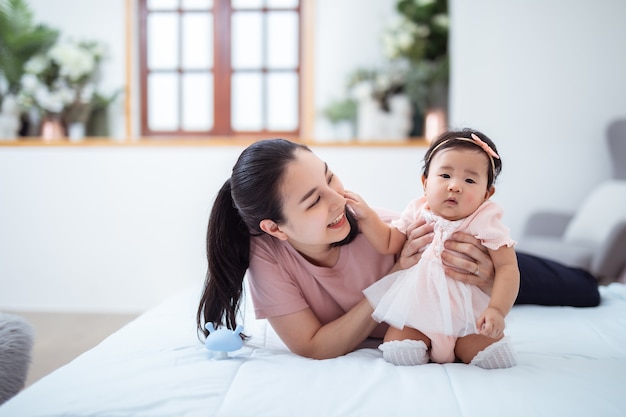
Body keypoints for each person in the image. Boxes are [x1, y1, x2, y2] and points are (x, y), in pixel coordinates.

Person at [196, 138, 599, 361]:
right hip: (426, 297)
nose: (338, 201)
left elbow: (495, 269)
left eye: (330, 177)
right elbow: (313, 345)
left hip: (462, 261)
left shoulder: (381, 226)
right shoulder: (267, 254)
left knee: (585, 289)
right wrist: (392, 280)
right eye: (313, 201)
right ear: (274, 228)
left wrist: (493, 280)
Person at [346, 129, 518, 368]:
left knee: (491, 355)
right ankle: (423, 346)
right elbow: (389, 242)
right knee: (398, 347)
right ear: (425, 182)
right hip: (419, 314)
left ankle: (464, 347)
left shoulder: (485, 219)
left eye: (470, 180)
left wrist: (497, 310)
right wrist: (367, 217)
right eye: (445, 175)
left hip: (468, 317)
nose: (455, 186)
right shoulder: (417, 210)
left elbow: (508, 267)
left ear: (487, 194)